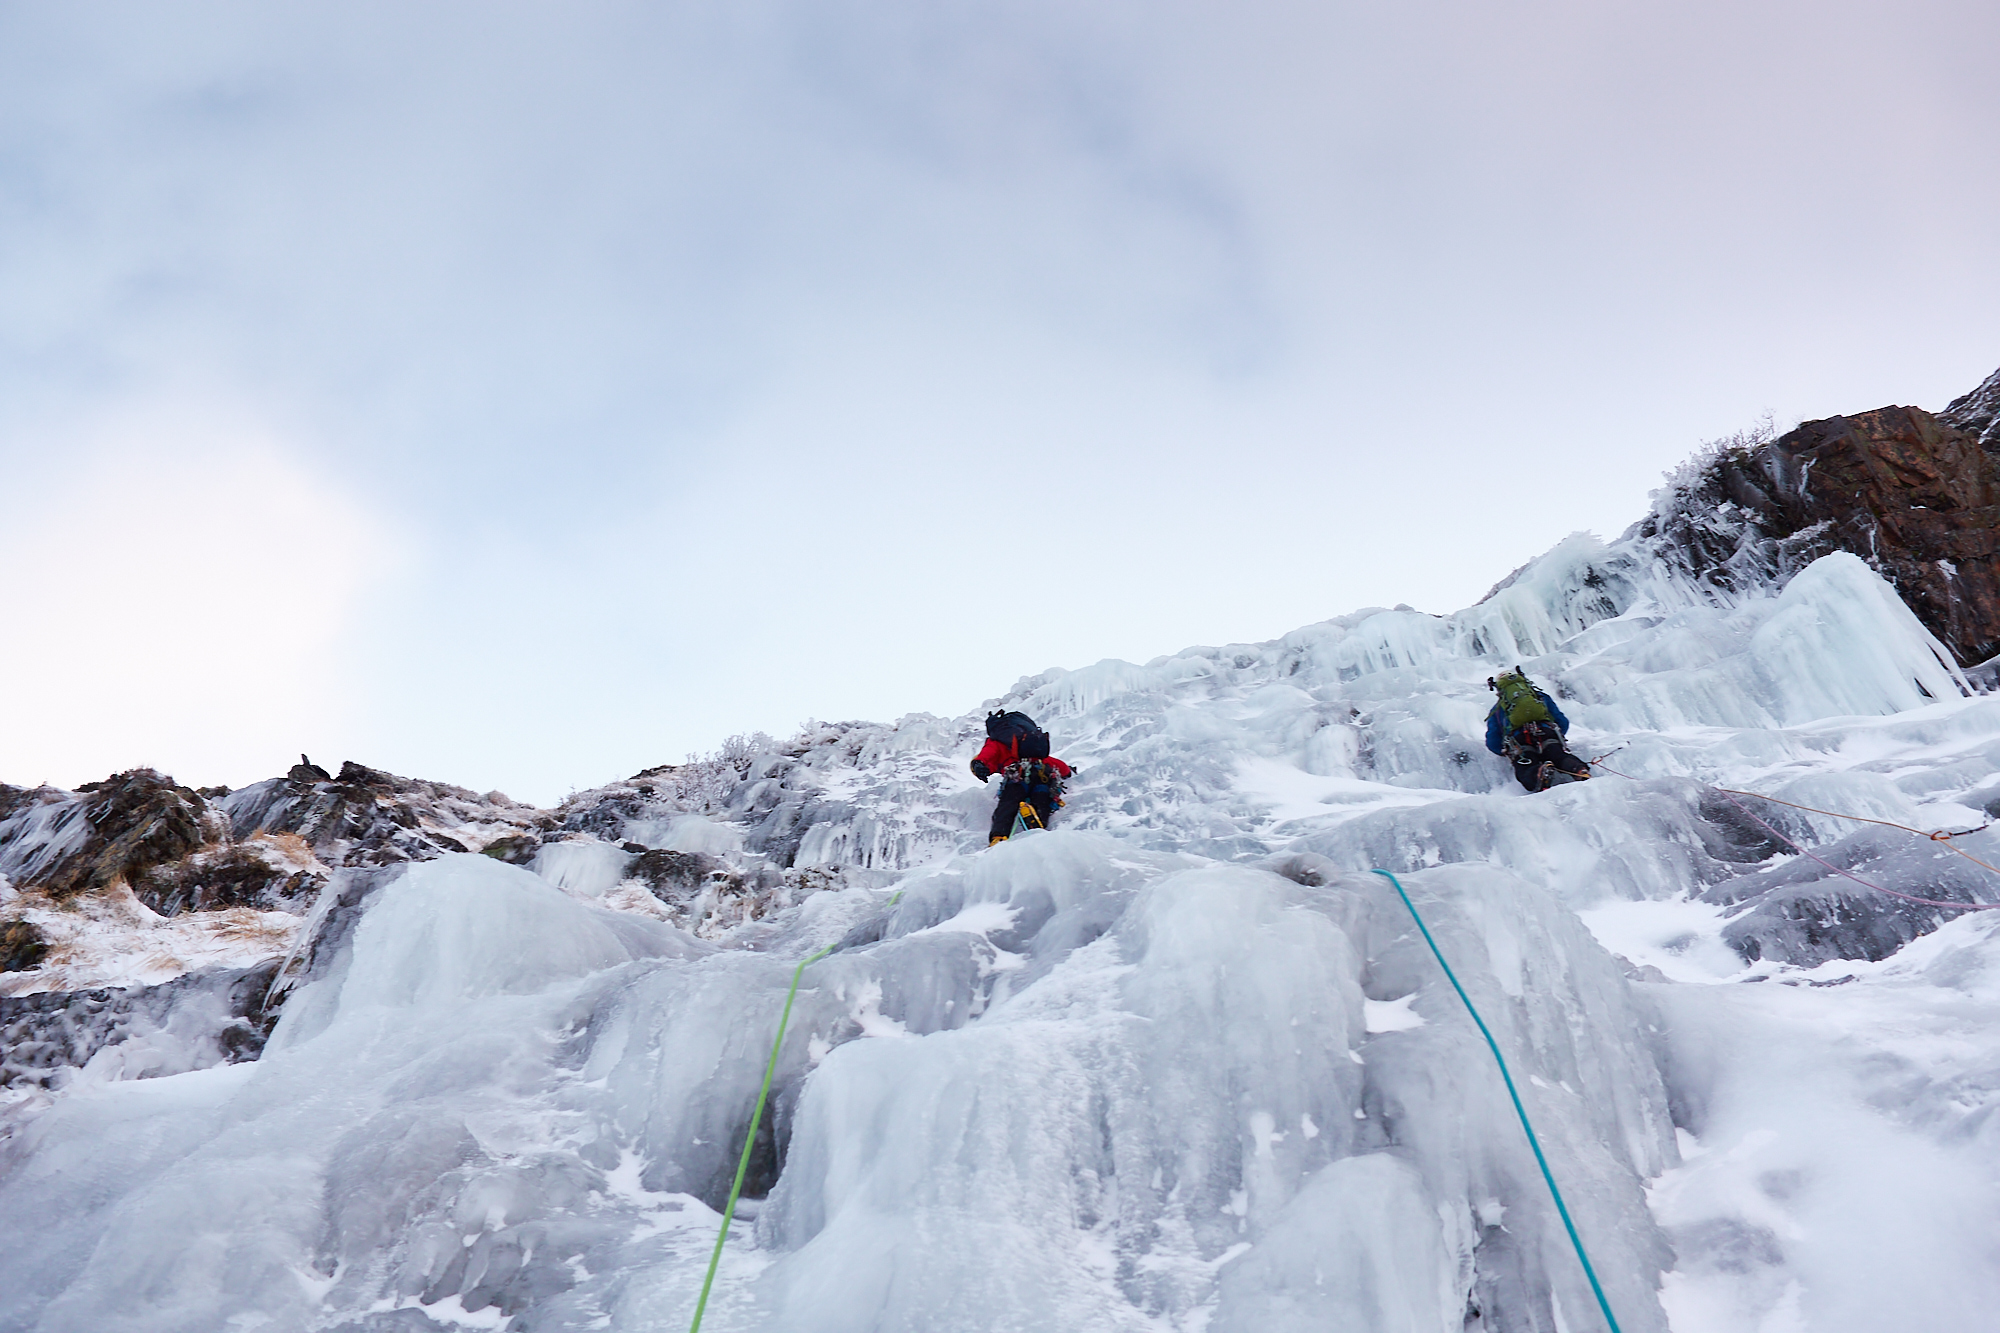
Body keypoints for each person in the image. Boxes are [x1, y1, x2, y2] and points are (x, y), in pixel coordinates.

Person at [970, 710, 1074, 845]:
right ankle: (1038, 821)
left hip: (1017, 777)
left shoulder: (995, 743)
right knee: (1042, 797)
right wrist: (1067, 772)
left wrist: (978, 765)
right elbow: (1060, 767)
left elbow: (986, 756)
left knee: (1008, 803)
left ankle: (999, 835)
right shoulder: (1029, 749)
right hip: (1043, 774)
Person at [1483, 669, 1591, 792]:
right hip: (1547, 731)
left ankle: (1539, 774)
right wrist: (1558, 736)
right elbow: (1562, 721)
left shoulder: (1497, 709)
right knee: (1558, 755)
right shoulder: (1541, 697)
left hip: (1519, 740)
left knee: (1525, 764)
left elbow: (1492, 741)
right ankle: (1578, 769)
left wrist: (1503, 750)